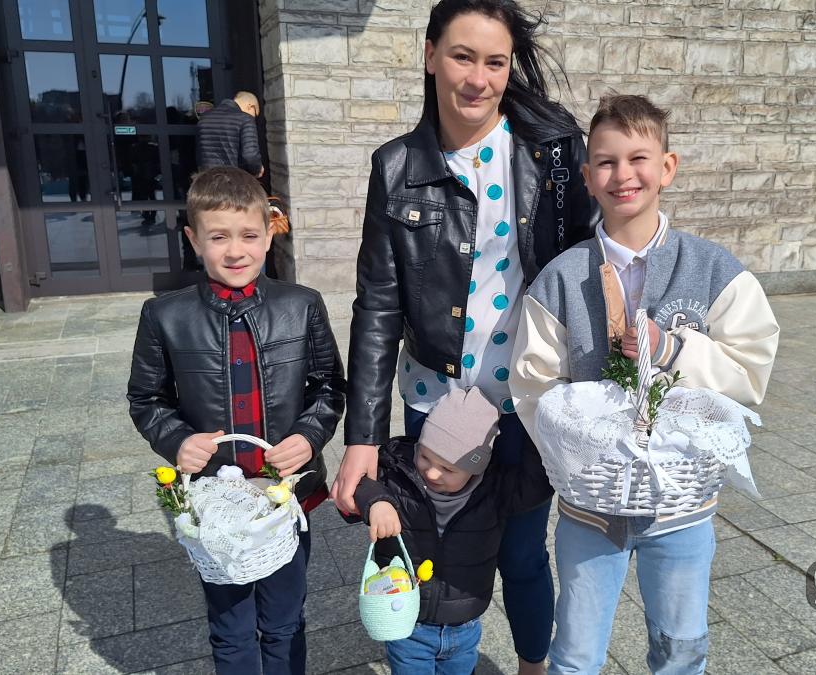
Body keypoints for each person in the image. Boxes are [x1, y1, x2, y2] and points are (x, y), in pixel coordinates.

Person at [330, 2, 598, 671]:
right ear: (429, 56)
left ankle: (533, 666)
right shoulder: (396, 166)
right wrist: (362, 438)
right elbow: (378, 306)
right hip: (436, 399)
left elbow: (588, 257)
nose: (478, 78)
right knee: (440, 550)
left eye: (495, 61)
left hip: (527, 399)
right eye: (462, 56)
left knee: (522, 552)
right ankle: (433, 652)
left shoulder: (551, 150)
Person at [509, 94, 781, 674]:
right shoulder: (562, 278)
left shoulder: (712, 269)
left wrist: (675, 350)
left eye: (638, 158)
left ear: (667, 167)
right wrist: (585, 444)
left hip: (683, 510)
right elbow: (533, 385)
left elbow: (750, 370)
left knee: (681, 647)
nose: (623, 175)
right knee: (575, 651)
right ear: (587, 177)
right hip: (590, 509)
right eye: (606, 162)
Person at [126, 166, 344, 674]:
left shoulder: (302, 306)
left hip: (285, 496)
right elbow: (146, 398)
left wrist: (309, 436)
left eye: (248, 235)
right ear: (193, 239)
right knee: (231, 627)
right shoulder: (164, 315)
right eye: (218, 237)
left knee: (285, 618)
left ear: (269, 234)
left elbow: (329, 387)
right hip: (215, 503)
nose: (235, 251)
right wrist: (177, 440)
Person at [350, 387, 553, 674]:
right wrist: (376, 502)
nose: (432, 473)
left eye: (448, 469)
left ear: (476, 468)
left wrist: (539, 429)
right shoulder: (398, 474)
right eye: (425, 457)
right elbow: (360, 483)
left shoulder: (494, 491)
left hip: (464, 627)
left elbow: (536, 486)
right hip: (408, 625)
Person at [196, 91, 265, 177]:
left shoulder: (204, 118)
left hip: (207, 180)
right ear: (250, 106)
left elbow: (199, 155)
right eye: (255, 114)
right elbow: (250, 156)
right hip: (231, 180)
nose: (254, 118)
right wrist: (257, 169)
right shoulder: (246, 119)